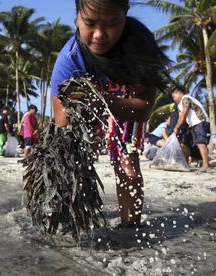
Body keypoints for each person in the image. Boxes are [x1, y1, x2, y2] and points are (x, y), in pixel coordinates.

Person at [51, 0, 170, 227]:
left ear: (124, 15)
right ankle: (74, 223)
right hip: (85, 110)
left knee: (127, 163)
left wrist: (104, 102)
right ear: (77, 15)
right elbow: (62, 122)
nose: (99, 34)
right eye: (89, 22)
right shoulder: (69, 60)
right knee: (71, 160)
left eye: (112, 23)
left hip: (125, 105)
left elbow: (143, 109)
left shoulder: (138, 46)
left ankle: (130, 226)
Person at [171, 86, 210, 171]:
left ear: (179, 93)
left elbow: (184, 114)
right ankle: (185, 163)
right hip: (192, 125)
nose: (174, 99)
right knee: (185, 142)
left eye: (174, 96)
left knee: (200, 143)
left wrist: (177, 127)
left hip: (200, 121)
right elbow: (180, 116)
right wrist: (176, 128)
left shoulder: (186, 98)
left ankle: (206, 165)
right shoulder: (179, 105)